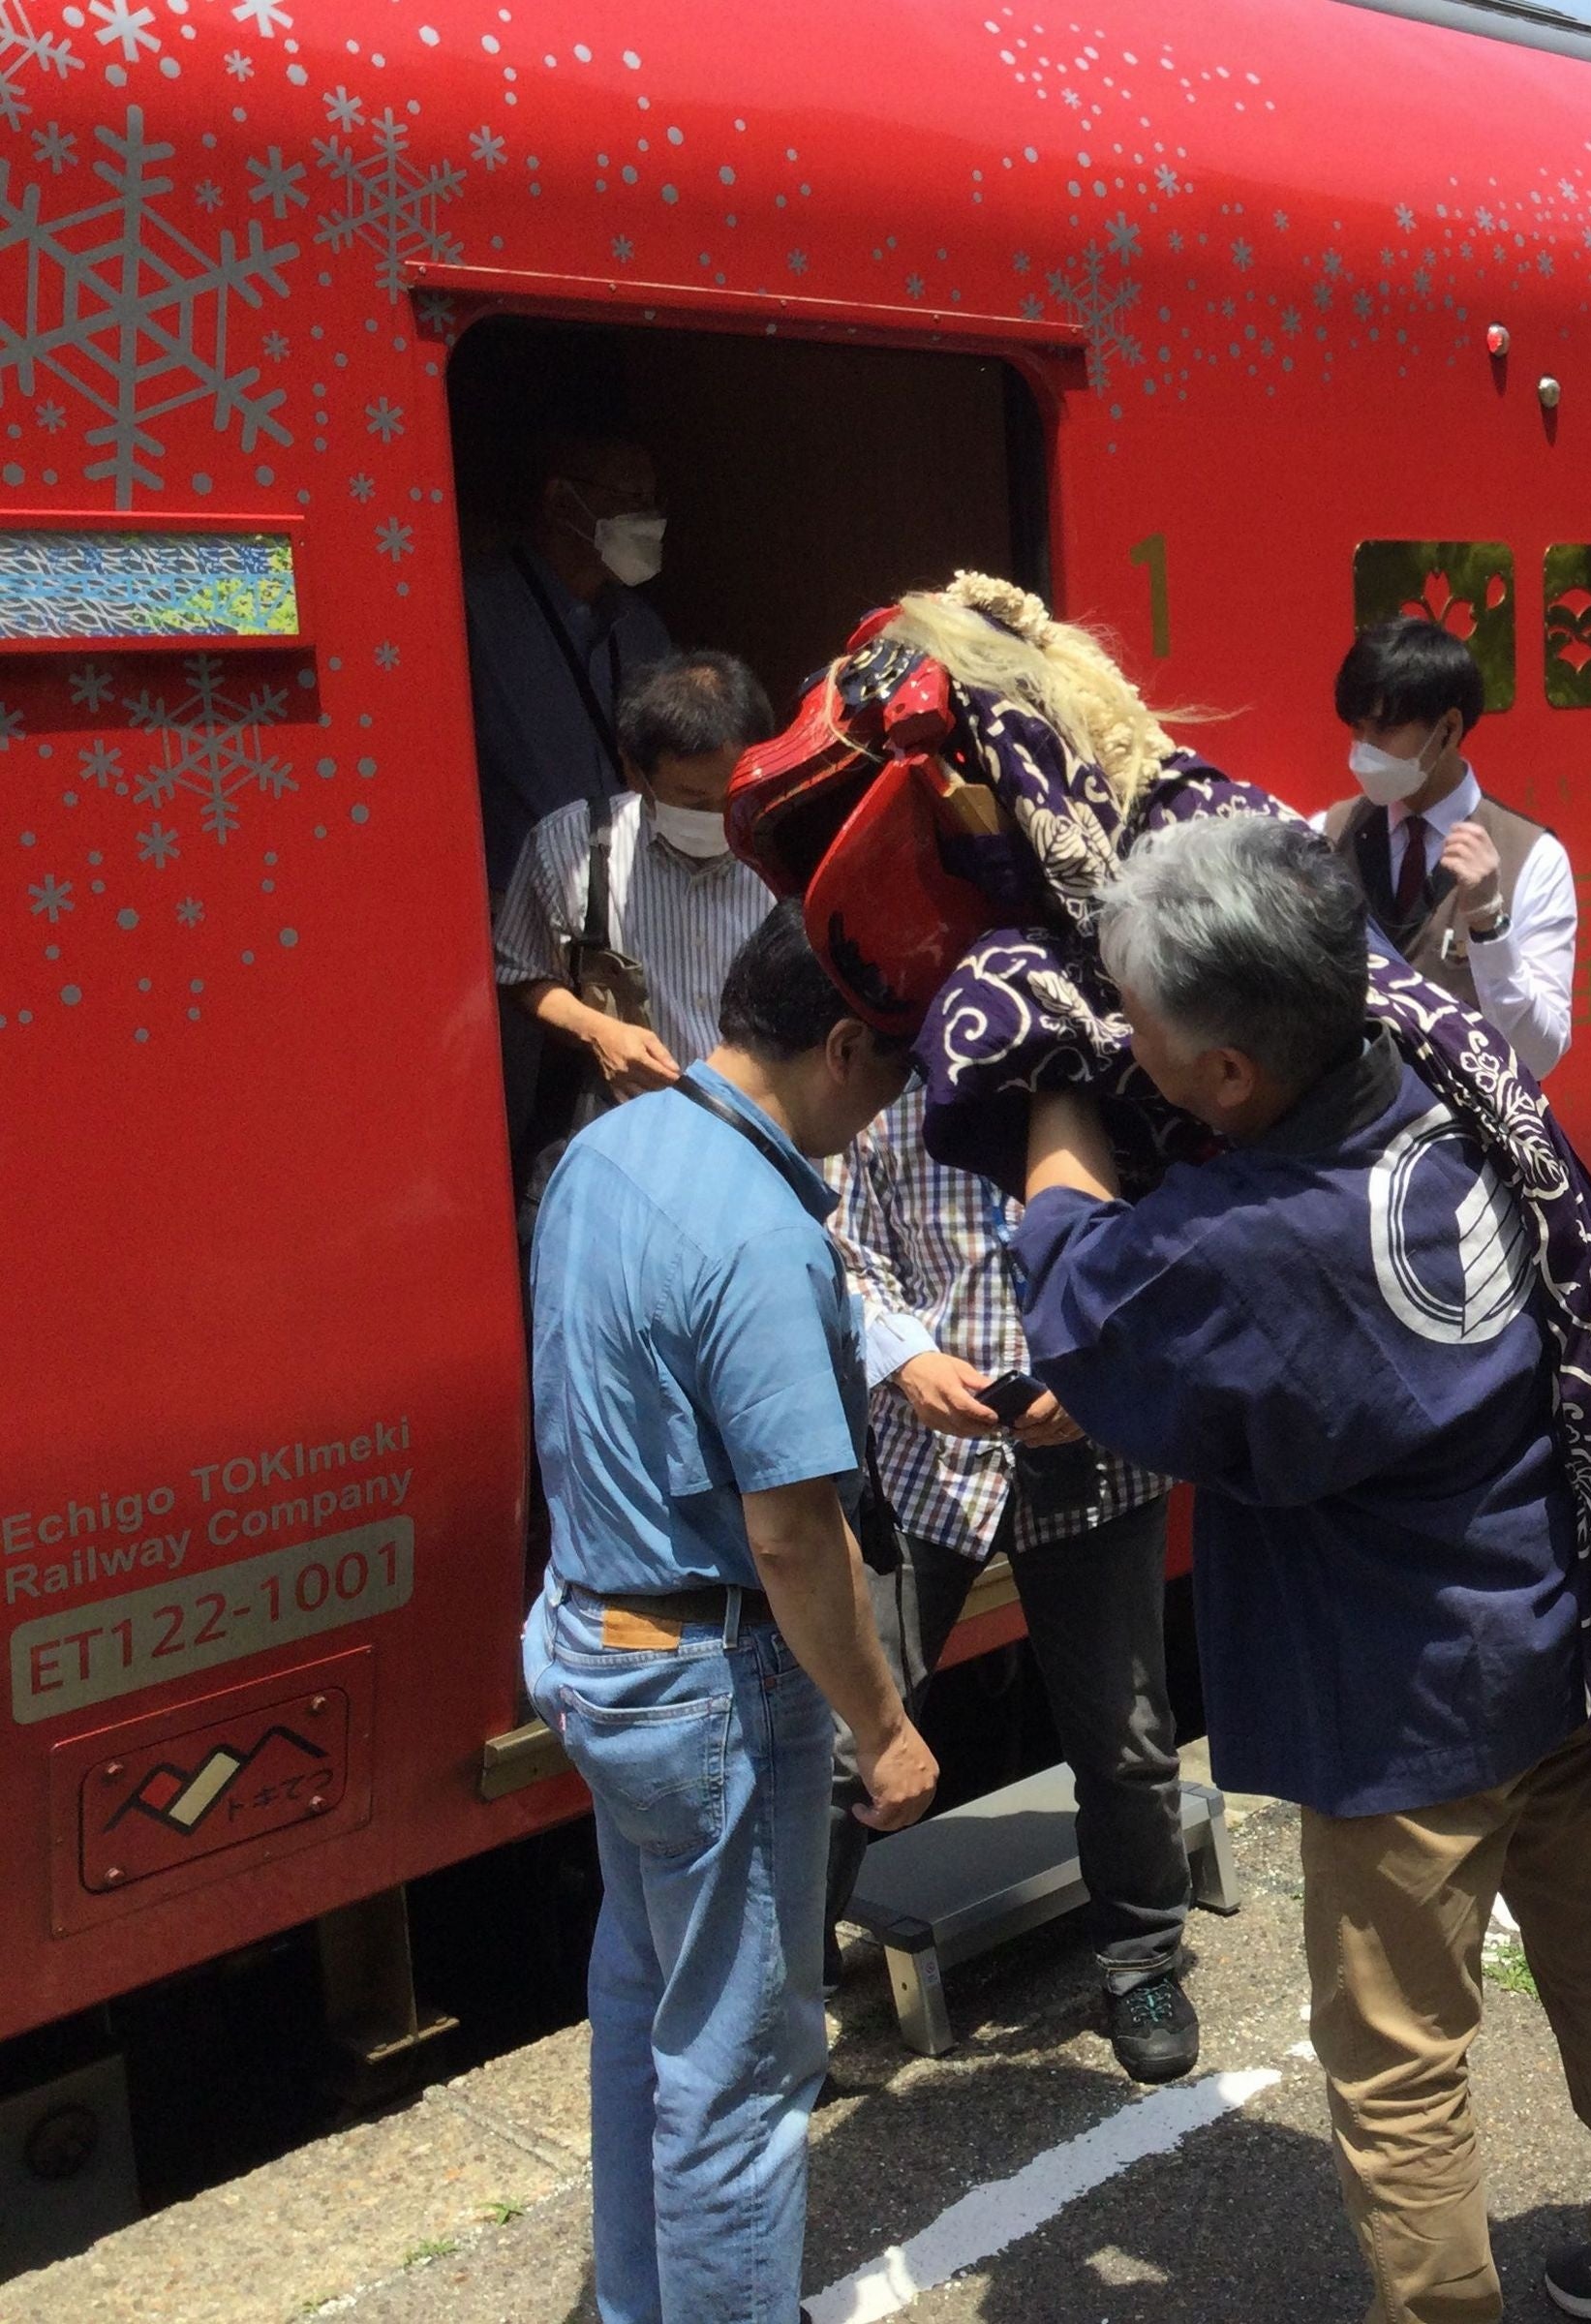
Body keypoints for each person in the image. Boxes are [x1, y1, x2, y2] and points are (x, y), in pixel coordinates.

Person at [1008, 815, 1591, 2324]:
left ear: (1227, 1076)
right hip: (1562, 1615)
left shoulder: (1253, 1239)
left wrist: (1050, 1088)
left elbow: (1079, 1290)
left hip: (1402, 1696)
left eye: (1141, 1029)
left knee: (1398, 2058)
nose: (1128, 1047)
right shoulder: (1437, 1062)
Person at [520, 901, 937, 2324]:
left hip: (591, 1640)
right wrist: (881, 1731)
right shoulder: (766, 1235)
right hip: (706, 1681)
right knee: (746, 2073)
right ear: (835, 1047)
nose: (881, 1113)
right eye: (887, 1077)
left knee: (646, 2012)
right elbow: (793, 1534)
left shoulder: (605, 1150)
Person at [821, 1079, 1198, 2082]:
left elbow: (1188, 1243)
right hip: (928, 1461)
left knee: (1124, 1739)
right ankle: (780, 1992)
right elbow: (845, 1256)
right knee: (848, 1732)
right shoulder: (886, 1096)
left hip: (1100, 1456)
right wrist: (905, 1361)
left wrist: (1105, 1365)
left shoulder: (1115, 1088)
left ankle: (1141, 1961)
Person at [494, 651, 780, 1106]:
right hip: (633, 1131)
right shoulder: (571, 847)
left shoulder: (789, 849)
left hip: (760, 1134)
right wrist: (597, 1031)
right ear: (634, 771)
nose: (718, 818)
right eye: (692, 799)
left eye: (732, 797)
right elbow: (519, 973)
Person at [1317, 616, 1578, 1078]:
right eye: (1357, 729)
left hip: (1463, 1140)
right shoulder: (1327, 834)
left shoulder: (1533, 858)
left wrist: (1489, 923)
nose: (1363, 750)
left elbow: (1539, 1057)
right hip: (1351, 1136)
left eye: (1383, 730)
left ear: (1448, 729)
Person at [466, 432, 677, 896]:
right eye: (629, 498)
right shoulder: (475, 612)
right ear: (562, 501)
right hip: (514, 904)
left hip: (631, 895)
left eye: (652, 500)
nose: (647, 517)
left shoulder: (643, 629)